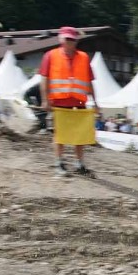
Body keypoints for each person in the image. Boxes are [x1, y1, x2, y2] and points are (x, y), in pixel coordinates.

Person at [40, 26, 97, 177]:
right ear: (61, 39)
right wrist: (45, 100)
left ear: (76, 41)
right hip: (59, 103)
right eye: (67, 39)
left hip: (78, 103)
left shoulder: (84, 57)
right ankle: (59, 163)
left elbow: (90, 82)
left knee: (80, 135)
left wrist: (96, 102)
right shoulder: (51, 56)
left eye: (72, 39)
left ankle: (79, 164)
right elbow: (44, 79)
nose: (69, 42)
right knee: (60, 136)